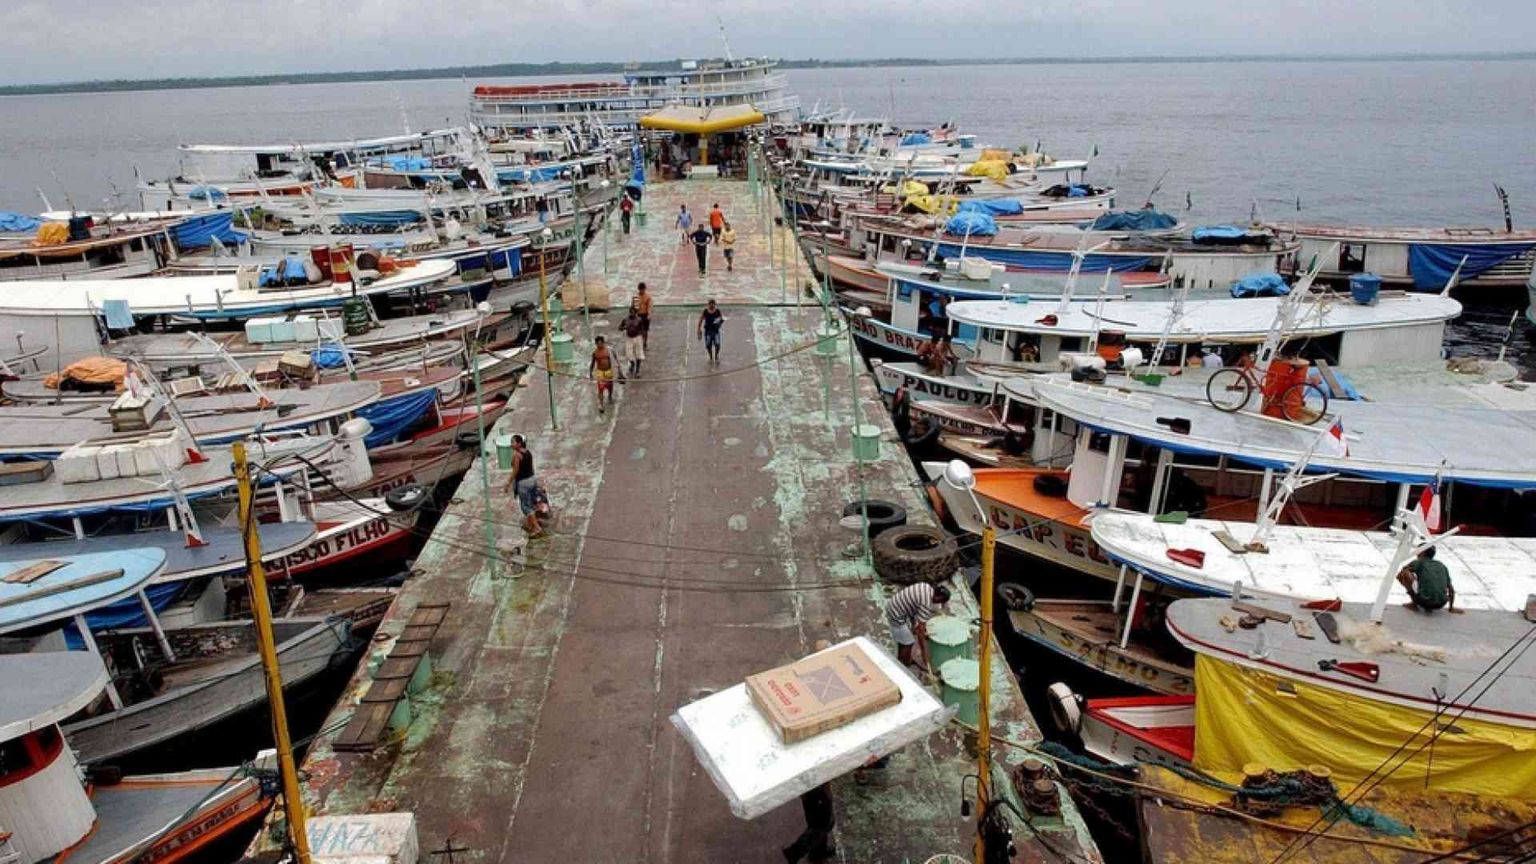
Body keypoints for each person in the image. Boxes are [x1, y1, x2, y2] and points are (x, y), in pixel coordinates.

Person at [886, 582, 950, 668]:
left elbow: (915, 604)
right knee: (908, 643)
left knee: (905, 638)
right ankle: (904, 664)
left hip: (895, 603)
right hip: (896, 613)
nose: (940, 605)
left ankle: (904, 656)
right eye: (940, 602)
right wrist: (924, 653)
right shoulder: (926, 604)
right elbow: (920, 632)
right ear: (937, 597)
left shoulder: (926, 586)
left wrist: (915, 625)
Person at [501, 434, 545, 538]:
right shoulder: (527, 452)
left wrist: (508, 483)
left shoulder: (516, 455)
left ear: (519, 443)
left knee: (526, 506)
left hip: (523, 483)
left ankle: (536, 528)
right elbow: (531, 467)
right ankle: (531, 524)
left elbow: (515, 471)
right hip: (532, 479)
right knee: (532, 502)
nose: (511, 444)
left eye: (513, 442)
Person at [782, 782, 835, 863]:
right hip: (814, 789)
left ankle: (818, 851)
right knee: (822, 824)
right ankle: (795, 852)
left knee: (821, 822)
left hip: (812, 788)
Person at [1397, 547, 1457, 613]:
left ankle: (1414, 604)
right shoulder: (1441, 565)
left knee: (1403, 574)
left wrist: (1413, 580)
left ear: (1422, 552)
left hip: (1423, 601)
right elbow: (1450, 588)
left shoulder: (1418, 562)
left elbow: (1402, 572)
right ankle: (1432, 599)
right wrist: (1451, 608)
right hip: (1441, 603)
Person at [590, 335, 617, 414]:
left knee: (610, 385)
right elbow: (592, 363)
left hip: (609, 371)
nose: (599, 345)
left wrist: (618, 370)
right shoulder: (595, 353)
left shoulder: (609, 351)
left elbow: (615, 360)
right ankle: (601, 404)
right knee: (601, 388)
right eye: (598, 344)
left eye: (601, 343)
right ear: (596, 344)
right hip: (600, 372)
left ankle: (610, 397)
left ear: (603, 343)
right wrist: (590, 373)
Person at [621, 303, 646, 377]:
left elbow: (643, 330)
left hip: (637, 338)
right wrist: (624, 327)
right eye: (630, 312)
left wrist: (643, 340)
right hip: (629, 338)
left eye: (633, 312)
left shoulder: (639, 320)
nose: (632, 313)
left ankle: (637, 371)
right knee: (629, 354)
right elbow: (619, 328)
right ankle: (632, 363)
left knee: (639, 354)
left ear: (636, 312)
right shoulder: (625, 319)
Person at [698, 298, 725, 365]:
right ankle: (710, 356)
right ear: (708, 304)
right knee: (708, 345)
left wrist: (719, 323)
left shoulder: (717, 311)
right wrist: (698, 329)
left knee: (717, 344)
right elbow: (701, 320)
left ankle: (716, 356)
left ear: (714, 304)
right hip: (708, 331)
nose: (711, 305)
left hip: (715, 331)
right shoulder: (705, 311)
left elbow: (722, 319)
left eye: (713, 304)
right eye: (710, 304)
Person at [635, 282, 653, 349]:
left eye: (642, 289)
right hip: (638, 315)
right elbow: (635, 307)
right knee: (639, 331)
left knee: (645, 330)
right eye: (640, 289)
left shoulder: (648, 297)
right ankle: (640, 344)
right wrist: (635, 315)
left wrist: (649, 314)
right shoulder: (636, 297)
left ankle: (645, 343)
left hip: (645, 315)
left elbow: (650, 306)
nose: (641, 291)